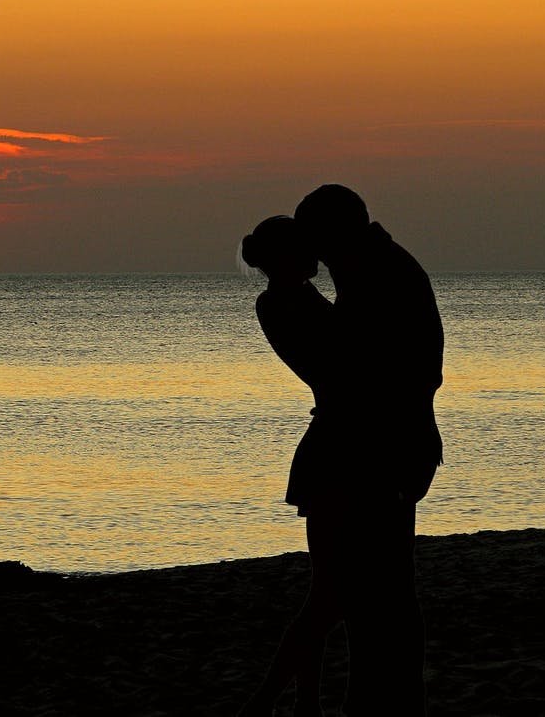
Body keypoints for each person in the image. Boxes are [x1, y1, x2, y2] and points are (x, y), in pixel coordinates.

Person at [294, 184, 443, 716]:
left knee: (380, 595)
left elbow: (411, 373)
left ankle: (388, 704)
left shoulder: (379, 274)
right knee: (379, 594)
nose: (309, 250)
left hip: (387, 451)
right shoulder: (370, 269)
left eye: (313, 236)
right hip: (391, 447)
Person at [239, 215, 346, 717]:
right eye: (305, 248)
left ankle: (304, 704)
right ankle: (267, 702)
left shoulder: (292, 298)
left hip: (330, 445)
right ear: (285, 256)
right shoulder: (282, 302)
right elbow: (337, 358)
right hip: (334, 450)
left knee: (324, 592)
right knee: (329, 595)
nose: (317, 256)